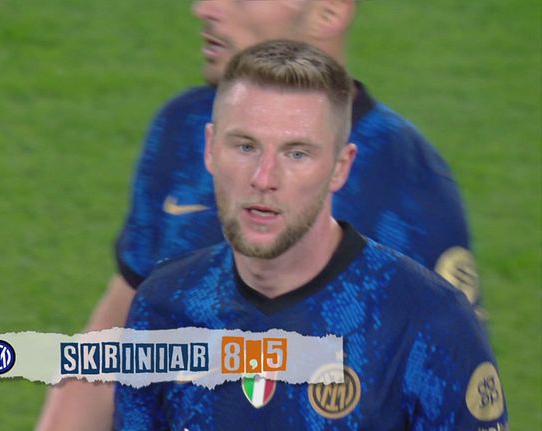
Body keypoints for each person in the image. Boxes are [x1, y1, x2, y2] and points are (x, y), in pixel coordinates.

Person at [36, 1, 480, 429]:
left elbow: (447, 371)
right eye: (244, 146)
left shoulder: (408, 185)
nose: (206, 8)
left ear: (328, 11)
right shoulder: (182, 126)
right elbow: (118, 332)